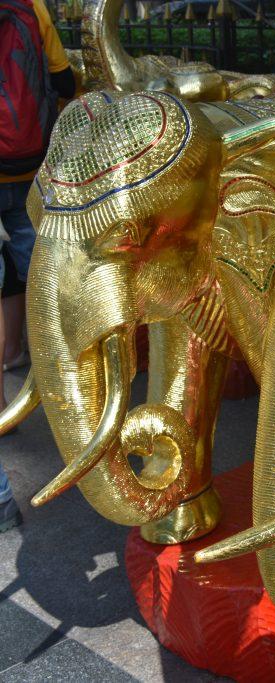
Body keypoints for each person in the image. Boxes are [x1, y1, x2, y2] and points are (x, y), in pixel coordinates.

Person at [0, 0, 75, 533]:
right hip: (29, 168)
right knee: (47, 280)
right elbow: (64, 80)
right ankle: (74, 403)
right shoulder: (32, 5)